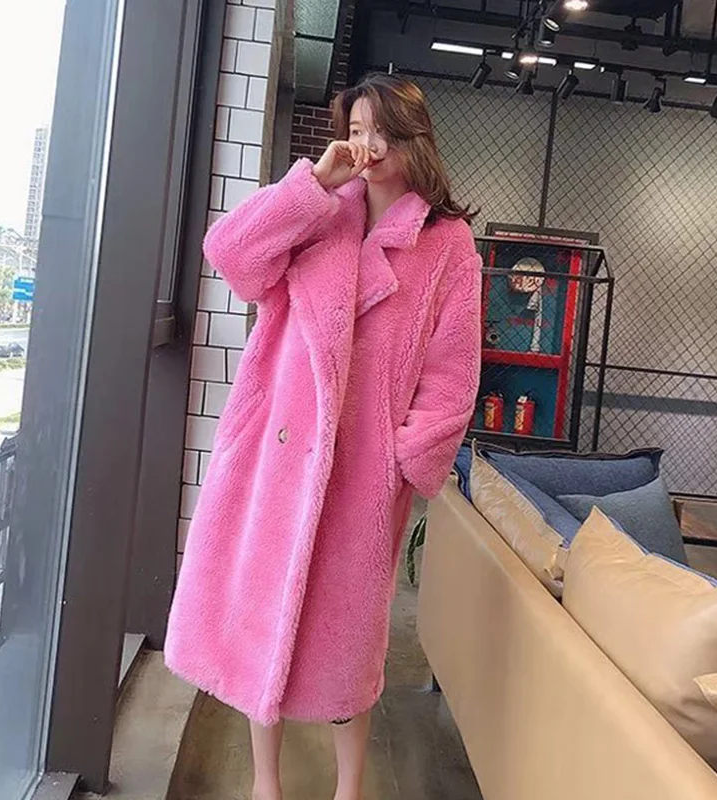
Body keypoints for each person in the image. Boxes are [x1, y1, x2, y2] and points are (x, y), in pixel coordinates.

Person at [165, 73, 482, 800]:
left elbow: (452, 368)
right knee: (262, 615)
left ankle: (350, 786)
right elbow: (231, 255)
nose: (368, 146)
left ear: (414, 141)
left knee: (348, 640)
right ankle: (265, 783)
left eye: (383, 132)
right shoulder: (318, 210)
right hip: (277, 453)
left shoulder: (446, 243)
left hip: (363, 465)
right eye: (358, 129)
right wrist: (311, 183)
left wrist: (406, 460)